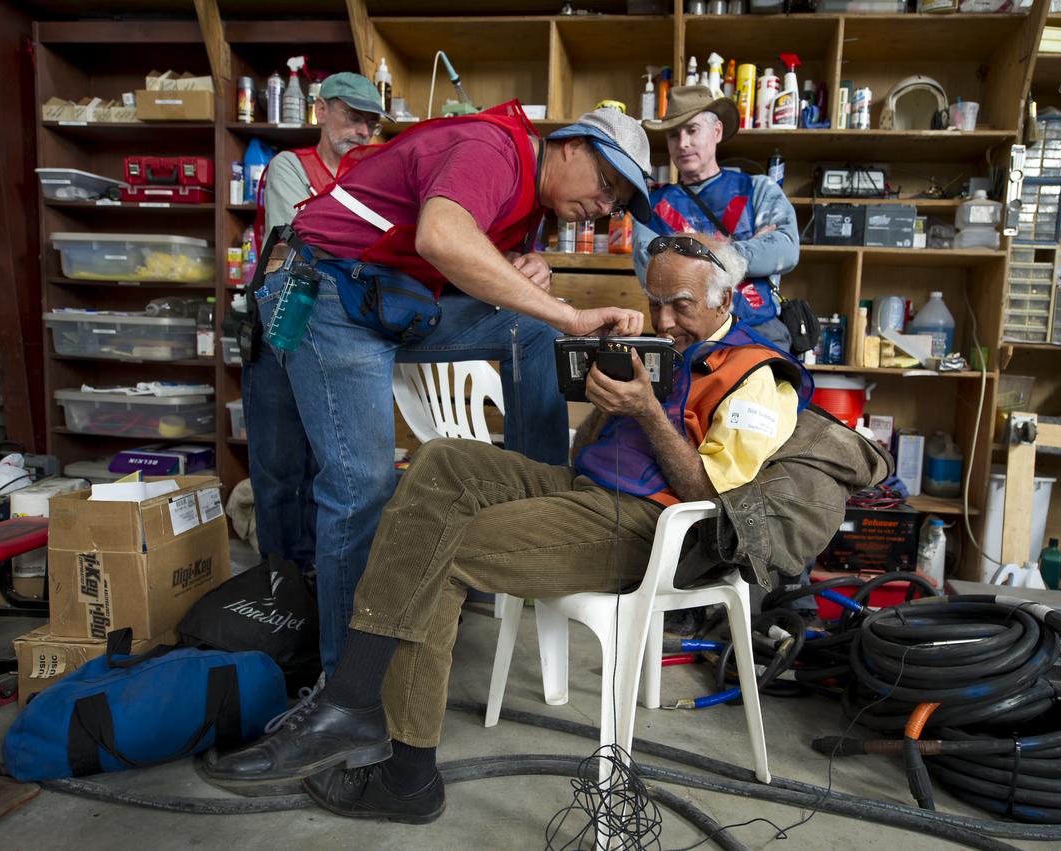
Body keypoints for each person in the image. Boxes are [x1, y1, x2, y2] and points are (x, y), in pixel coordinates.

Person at [206, 235, 890, 825]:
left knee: (438, 553)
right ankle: (355, 702)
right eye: (656, 300)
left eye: (680, 305)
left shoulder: (758, 378)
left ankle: (400, 766)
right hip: (585, 489)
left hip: (653, 527)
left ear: (725, 302)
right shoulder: (661, 344)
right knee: (444, 463)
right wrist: (604, 388)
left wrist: (648, 409)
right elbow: (598, 446)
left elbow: (712, 495)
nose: (664, 317)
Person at [252, 104, 653, 676]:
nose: (605, 204)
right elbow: (442, 237)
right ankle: (346, 691)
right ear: (568, 145)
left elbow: (467, 253)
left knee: (530, 327)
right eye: (607, 183)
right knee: (361, 486)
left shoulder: (531, 199)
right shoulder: (491, 149)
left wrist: (522, 270)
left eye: (617, 202)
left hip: (389, 299)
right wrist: (565, 313)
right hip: (328, 293)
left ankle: (535, 507)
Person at [243, 72, 387, 576]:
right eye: (352, 117)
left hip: (340, 331)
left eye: (370, 123)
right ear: (321, 111)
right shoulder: (289, 167)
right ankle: (281, 579)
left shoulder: (372, 178)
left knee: (334, 467)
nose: (362, 132)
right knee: (279, 466)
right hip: (283, 327)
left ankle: (322, 579)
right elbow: (300, 243)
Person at [633, 85, 799, 352]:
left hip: (758, 330)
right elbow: (651, 270)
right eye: (674, 135)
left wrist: (687, 258)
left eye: (692, 130)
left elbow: (785, 250)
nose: (683, 143)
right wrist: (746, 252)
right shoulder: (651, 205)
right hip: (688, 337)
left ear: (717, 131)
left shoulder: (759, 189)